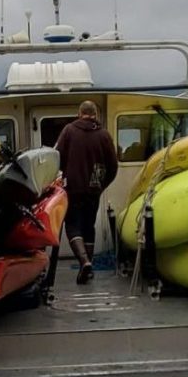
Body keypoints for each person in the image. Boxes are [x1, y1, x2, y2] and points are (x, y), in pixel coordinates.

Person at [54, 100, 118, 284]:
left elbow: (57, 157)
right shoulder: (104, 135)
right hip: (93, 189)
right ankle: (88, 267)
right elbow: (113, 166)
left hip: (72, 188)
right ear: (95, 115)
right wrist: (101, 185)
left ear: (79, 113)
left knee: (73, 225)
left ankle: (84, 262)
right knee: (89, 226)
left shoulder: (69, 131)